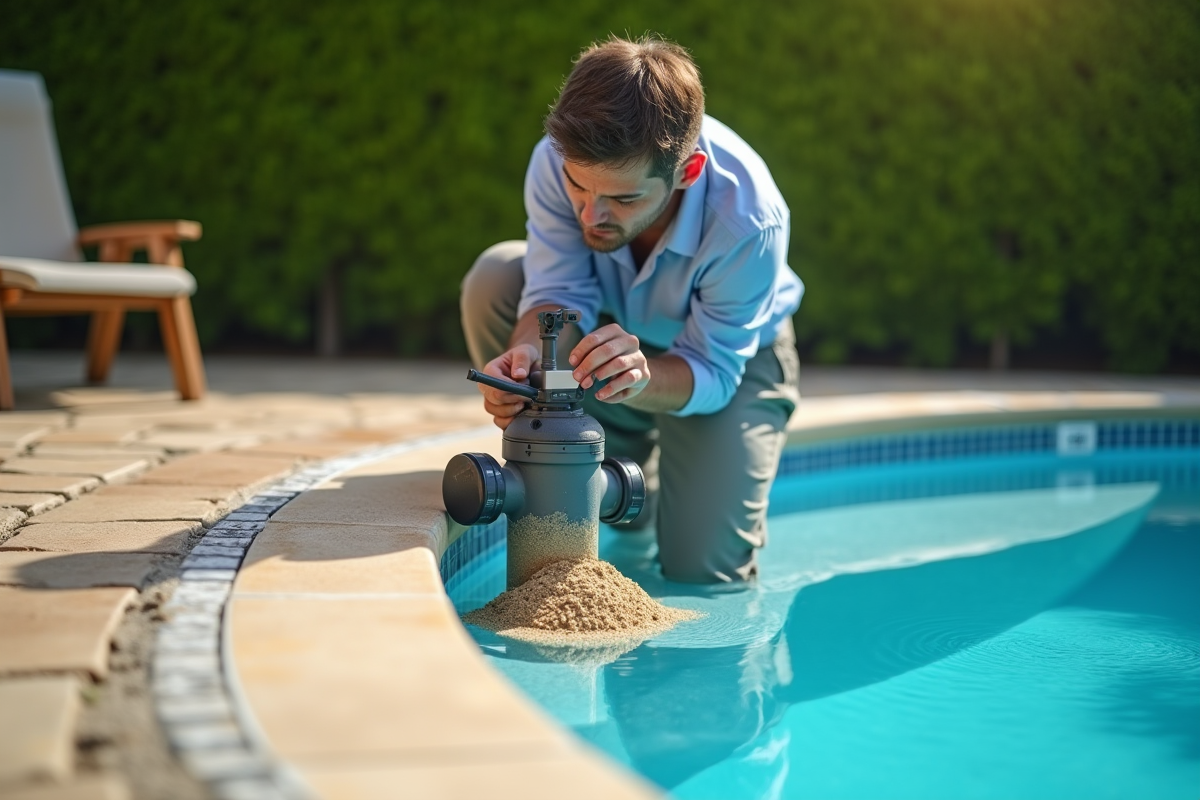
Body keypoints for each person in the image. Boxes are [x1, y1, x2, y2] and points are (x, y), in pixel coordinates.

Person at [460, 34, 803, 583]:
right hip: (606, 338)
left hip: (729, 366)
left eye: (623, 199)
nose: (591, 214)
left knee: (703, 572)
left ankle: (652, 486)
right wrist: (524, 352)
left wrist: (641, 381)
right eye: (579, 187)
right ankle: (612, 478)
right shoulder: (555, 160)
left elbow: (715, 369)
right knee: (496, 280)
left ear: (685, 173)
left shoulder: (751, 218)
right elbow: (557, 295)